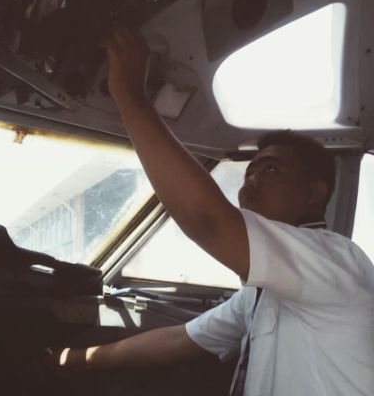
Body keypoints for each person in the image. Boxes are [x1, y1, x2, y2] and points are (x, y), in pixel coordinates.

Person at [52, 28, 374, 395]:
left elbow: (207, 220)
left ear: (314, 193)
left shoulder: (336, 261)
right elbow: (178, 340)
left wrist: (130, 95)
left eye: (271, 170)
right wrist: (79, 358)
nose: (250, 182)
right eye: (249, 172)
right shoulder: (259, 294)